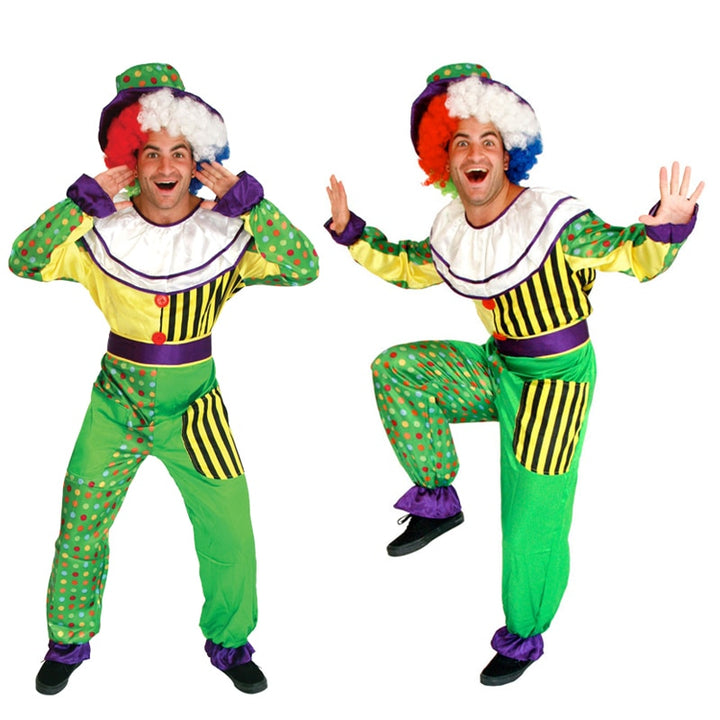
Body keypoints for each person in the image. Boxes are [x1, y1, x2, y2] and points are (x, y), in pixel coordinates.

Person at [325, 62, 702, 686]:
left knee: (530, 517)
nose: (474, 154)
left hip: (556, 380)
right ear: (444, 161)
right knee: (397, 370)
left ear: (509, 154)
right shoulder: (453, 226)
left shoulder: (555, 218)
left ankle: (524, 633)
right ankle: (438, 499)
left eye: (488, 141)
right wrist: (350, 233)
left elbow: (626, 252)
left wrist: (665, 226)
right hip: (496, 364)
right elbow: (410, 266)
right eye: (460, 143)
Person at [10, 62, 319, 695]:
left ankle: (231, 644)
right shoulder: (100, 231)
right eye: (151, 152)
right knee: (81, 525)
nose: (166, 165)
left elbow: (303, 267)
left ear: (198, 162)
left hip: (196, 411)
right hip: (115, 406)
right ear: (132, 162)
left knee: (230, 531)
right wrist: (79, 202)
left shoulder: (225, 232)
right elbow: (24, 259)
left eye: (180, 152)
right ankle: (67, 642)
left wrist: (253, 204)